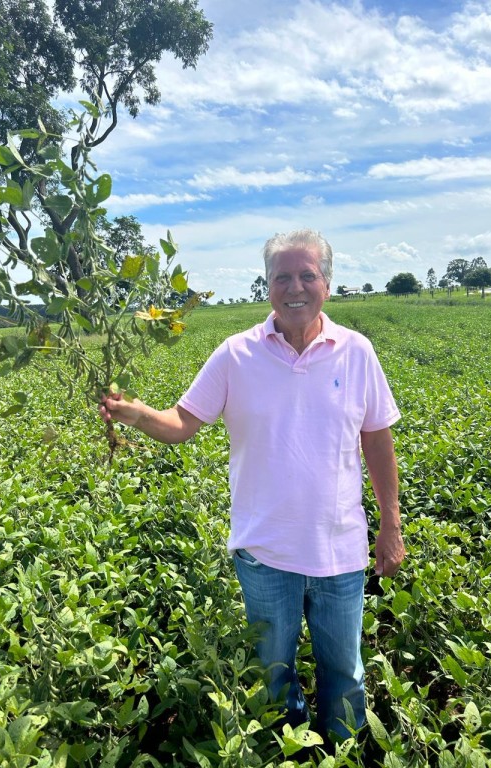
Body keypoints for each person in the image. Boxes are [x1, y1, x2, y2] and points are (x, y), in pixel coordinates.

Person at [100, 228, 405, 744]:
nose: (295, 287)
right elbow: (182, 422)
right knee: (272, 675)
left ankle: (342, 750)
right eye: (282, 277)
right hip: (265, 553)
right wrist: (136, 414)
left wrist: (391, 524)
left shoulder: (357, 352)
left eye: (307, 275)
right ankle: (286, 748)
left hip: (340, 552)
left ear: (327, 284)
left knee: (346, 675)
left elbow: (376, 440)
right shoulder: (235, 354)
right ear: (267, 286)